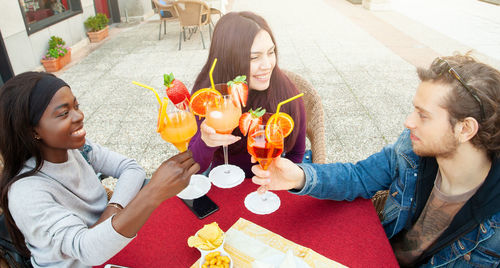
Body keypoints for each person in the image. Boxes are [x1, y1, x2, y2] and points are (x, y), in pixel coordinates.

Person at [251, 54, 500, 267]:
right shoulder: (411, 149)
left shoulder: (494, 223)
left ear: (466, 129)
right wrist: (300, 176)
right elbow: (358, 177)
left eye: (423, 116)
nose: (409, 122)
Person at [0, 72, 200, 267]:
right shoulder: (26, 193)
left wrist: (112, 211)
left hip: (114, 243)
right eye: (64, 113)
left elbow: (130, 168)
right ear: (32, 130)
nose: (79, 116)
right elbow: (87, 251)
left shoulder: (77, 148)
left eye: (76, 106)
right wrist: (153, 192)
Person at [188, 11, 306, 178]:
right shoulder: (209, 96)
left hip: (272, 180)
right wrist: (206, 143)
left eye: (271, 52)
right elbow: (195, 167)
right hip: (225, 180)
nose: (267, 65)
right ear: (230, 60)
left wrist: (277, 179)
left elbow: (296, 154)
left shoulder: (284, 91)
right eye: (254, 57)